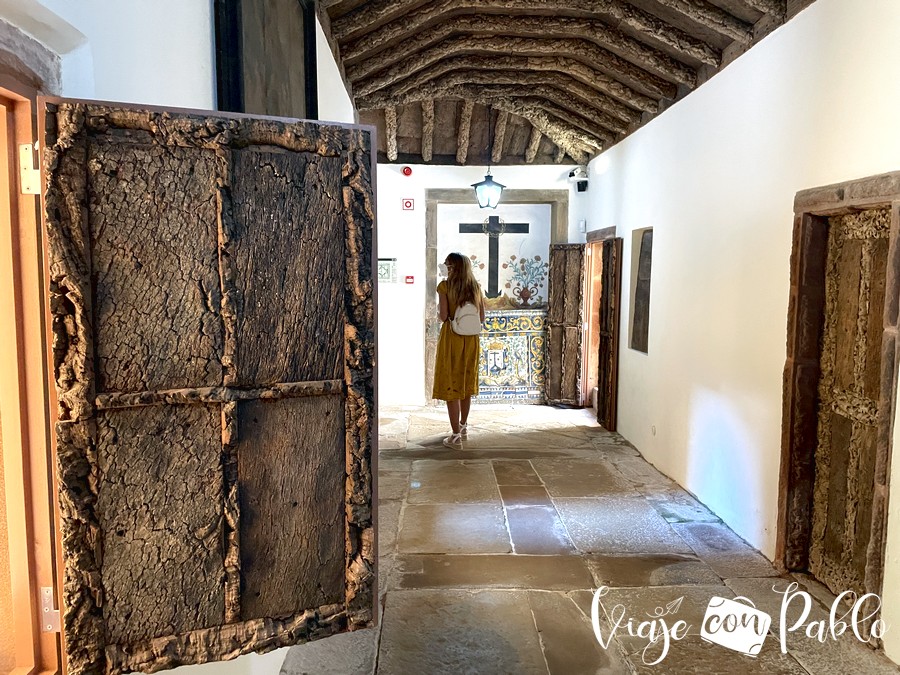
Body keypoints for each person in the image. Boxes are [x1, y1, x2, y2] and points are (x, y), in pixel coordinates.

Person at [433, 252, 486, 449]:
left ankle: (455, 434)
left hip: (452, 339)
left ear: (453, 267)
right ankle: (463, 425)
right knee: (466, 381)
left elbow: (444, 315)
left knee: (451, 384)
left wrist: (441, 310)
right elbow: (481, 317)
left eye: (447, 264)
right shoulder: (476, 287)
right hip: (471, 340)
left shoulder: (445, 286)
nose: (445, 267)